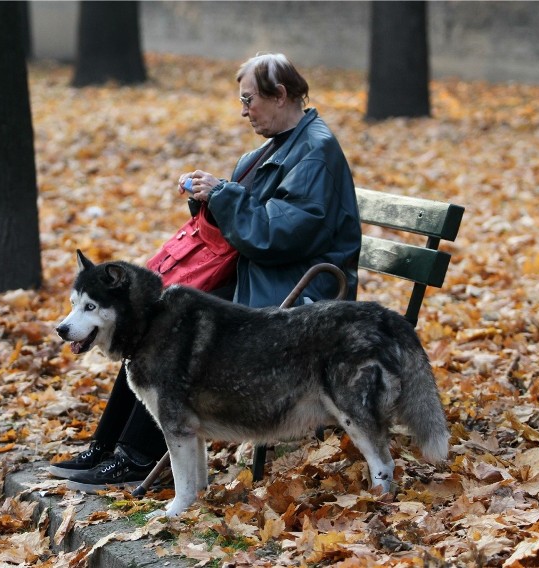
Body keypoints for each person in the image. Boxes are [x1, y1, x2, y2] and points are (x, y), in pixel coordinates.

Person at [49, 52, 362, 491]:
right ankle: (108, 447)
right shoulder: (275, 149)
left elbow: (279, 235)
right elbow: (245, 223)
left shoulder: (315, 154)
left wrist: (225, 194)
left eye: (249, 99)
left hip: (300, 288)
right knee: (143, 319)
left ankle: (137, 456)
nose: (244, 110)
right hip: (262, 273)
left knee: (167, 333)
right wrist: (207, 197)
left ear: (281, 95)